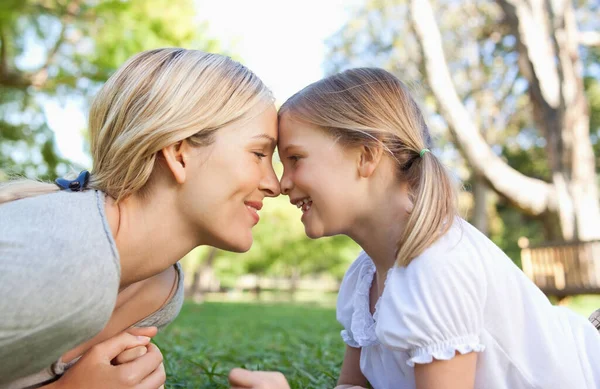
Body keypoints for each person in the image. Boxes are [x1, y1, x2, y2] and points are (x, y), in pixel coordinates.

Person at [229, 67, 600, 389]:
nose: (281, 183)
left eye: (295, 159)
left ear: (367, 155)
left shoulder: (438, 267)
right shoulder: (365, 275)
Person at [0, 48, 280, 389]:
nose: (274, 184)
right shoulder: (60, 261)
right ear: (179, 154)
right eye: (258, 154)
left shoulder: (159, 289)